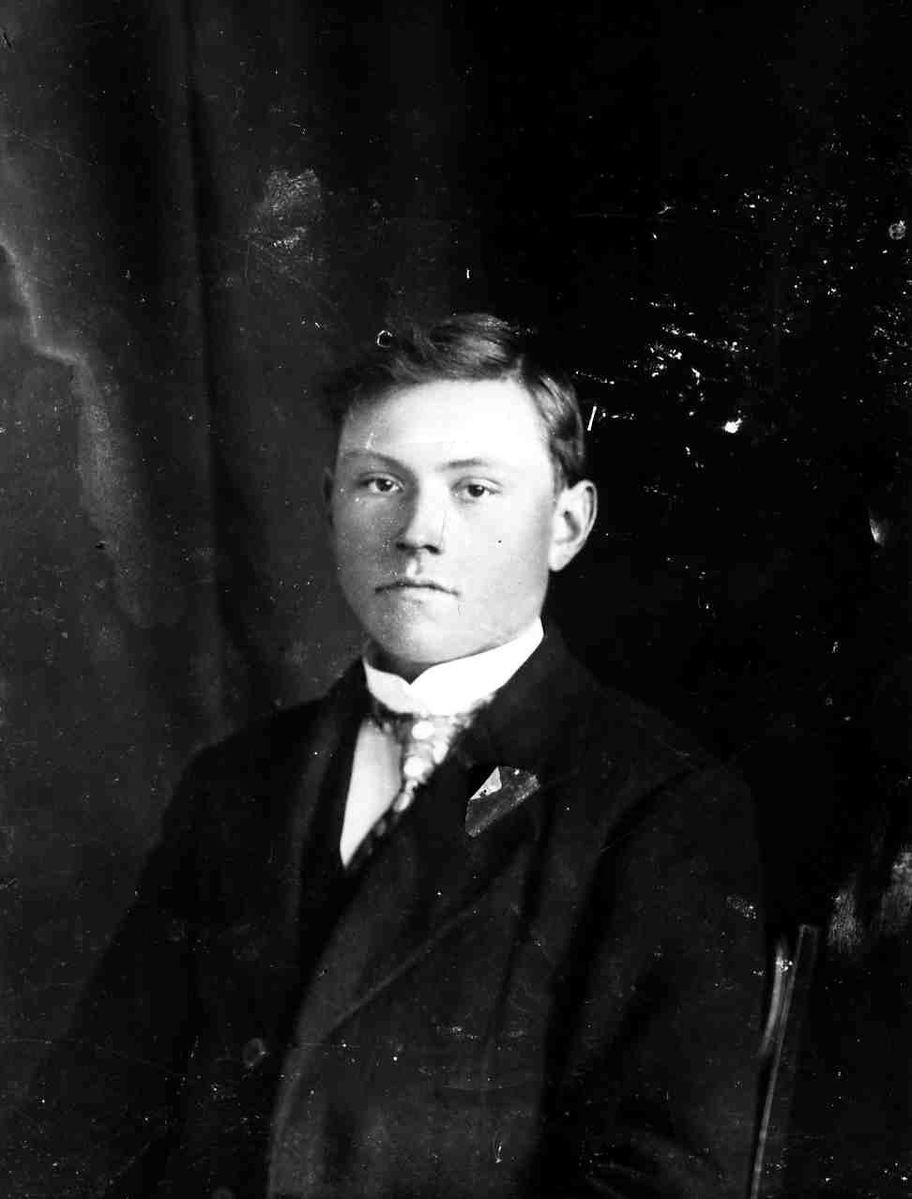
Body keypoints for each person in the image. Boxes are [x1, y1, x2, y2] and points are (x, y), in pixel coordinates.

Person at [2, 313, 766, 1198]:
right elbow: (87, 1113)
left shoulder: (659, 805)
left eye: (474, 489)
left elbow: (661, 1178)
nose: (417, 531)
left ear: (566, 524)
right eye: (380, 482)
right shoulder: (237, 781)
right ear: (331, 500)